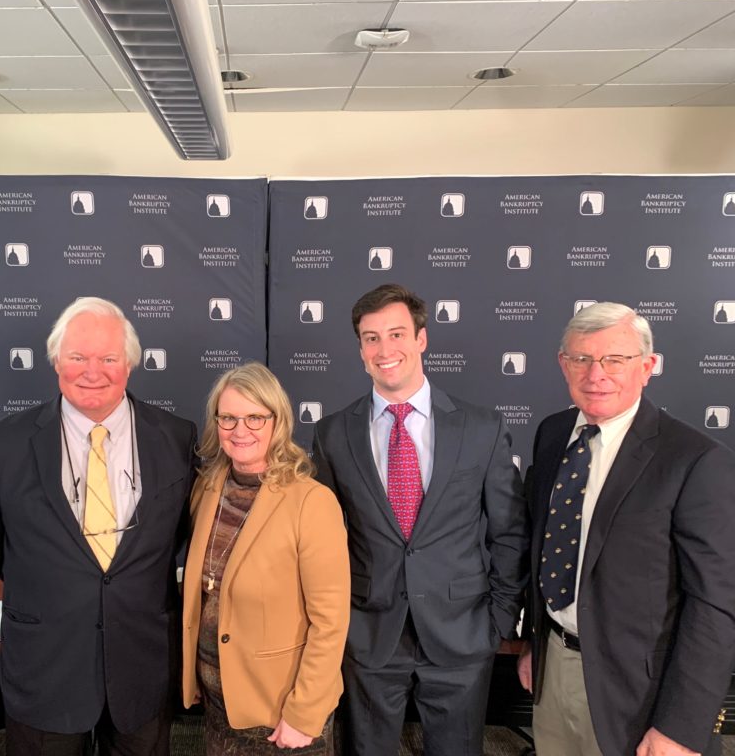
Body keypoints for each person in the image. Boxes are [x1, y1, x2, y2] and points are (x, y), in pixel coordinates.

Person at [0, 296, 198, 756]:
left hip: (141, 665)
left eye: (108, 358)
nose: (93, 371)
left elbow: (176, 534)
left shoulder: (176, 437)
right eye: (78, 357)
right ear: (56, 361)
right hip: (45, 667)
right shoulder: (5, 443)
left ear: (130, 364)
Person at [312, 283, 528, 756]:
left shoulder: (481, 427)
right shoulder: (333, 433)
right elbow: (323, 542)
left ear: (421, 338)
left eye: (396, 334)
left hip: (462, 631)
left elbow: (509, 532)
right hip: (369, 634)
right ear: (360, 349)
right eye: (371, 338)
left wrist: (500, 619)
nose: (385, 350)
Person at [517, 302, 735, 756]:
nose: (596, 374)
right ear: (563, 364)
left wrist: (681, 726)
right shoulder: (553, 433)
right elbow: (545, 545)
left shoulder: (695, 459)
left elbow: (715, 604)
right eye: (581, 358)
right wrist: (533, 643)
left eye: (615, 359)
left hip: (640, 693)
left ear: (648, 366)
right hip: (552, 668)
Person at [181, 362, 350, 754]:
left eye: (255, 417)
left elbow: (331, 621)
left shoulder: (311, 502)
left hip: (280, 713)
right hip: (219, 705)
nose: (240, 431)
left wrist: (304, 714)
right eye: (229, 418)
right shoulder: (207, 489)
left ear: (278, 421)